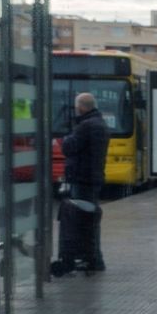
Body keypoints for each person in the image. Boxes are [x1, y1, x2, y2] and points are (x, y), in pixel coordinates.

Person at [52, 92, 110, 276]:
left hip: (82, 178)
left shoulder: (86, 126)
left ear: (83, 107)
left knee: (82, 220)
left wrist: (67, 138)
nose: (76, 110)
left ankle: (91, 259)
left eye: (77, 106)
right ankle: (92, 257)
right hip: (92, 177)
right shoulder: (99, 123)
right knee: (90, 219)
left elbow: (68, 147)